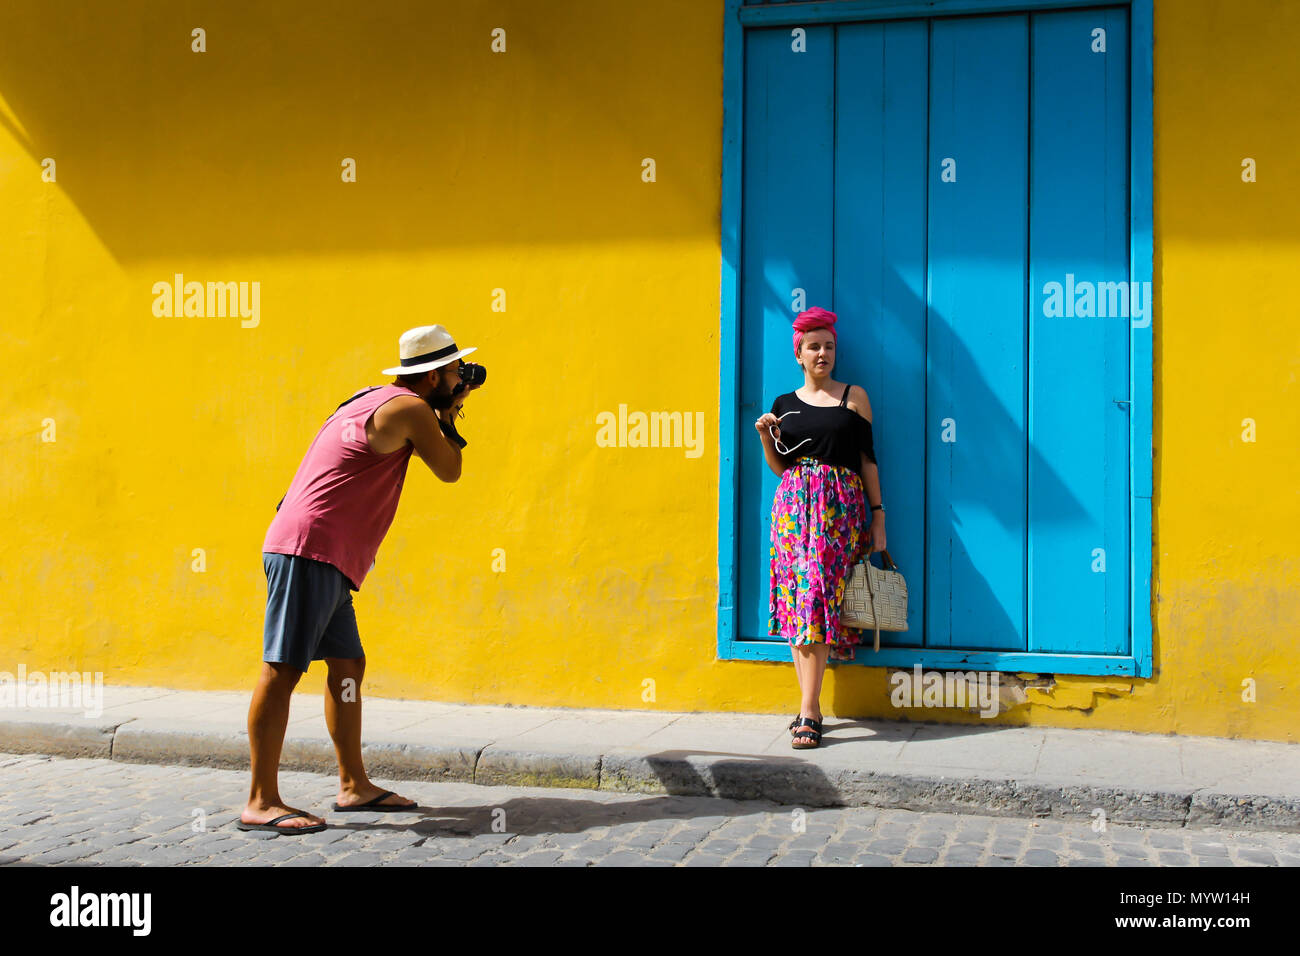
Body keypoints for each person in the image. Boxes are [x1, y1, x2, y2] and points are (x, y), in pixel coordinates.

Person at [238, 325, 480, 834]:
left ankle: (353, 785)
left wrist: (445, 406)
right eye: (455, 371)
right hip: (311, 549)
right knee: (281, 669)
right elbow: (450, 469)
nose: (462, 378)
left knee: (347, 665)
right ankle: (260, 800)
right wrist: (451, 412)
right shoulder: (412, 409)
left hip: (324, 552)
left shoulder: (371, 398)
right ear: (433, 373)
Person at [754, 307, 886, 750]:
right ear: (799, 353)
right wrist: (764, 436)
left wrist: (878, 515)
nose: (823, 353)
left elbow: (868, 460)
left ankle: (809, 710)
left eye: (829, 346)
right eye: (814, 346)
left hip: (838, 512)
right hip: (792, 509)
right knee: (799, 601)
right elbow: (779, 466)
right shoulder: (783, 406)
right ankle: (809, 706)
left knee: (817, 597)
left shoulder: (854, 397)